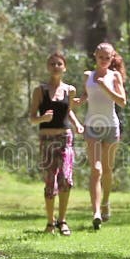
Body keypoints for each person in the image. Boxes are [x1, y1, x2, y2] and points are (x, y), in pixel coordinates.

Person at [28, 52, 84, 235]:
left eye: (59, 63)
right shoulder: (40, 91)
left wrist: (77, 124)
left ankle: (63, 221)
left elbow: (68, 112)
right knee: (50, 181)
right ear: (47, 67)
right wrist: (42, 118)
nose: (55, 66)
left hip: (64, 138)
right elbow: (32, 118)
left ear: (64, 67)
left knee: (66, 179)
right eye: (52, 63)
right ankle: (50, 223)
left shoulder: (70, 90)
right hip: (46, 139)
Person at [75, 43, 127, 230]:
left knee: (107, 170)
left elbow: (122, 101)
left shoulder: (115, 76)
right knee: (95, 170)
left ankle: (105, 202)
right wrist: (80, 100)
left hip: (111, 128)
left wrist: (106, 88)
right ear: (95, 56)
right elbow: (87, 95)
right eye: (101, 57)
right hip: (92, 127)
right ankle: (96, 212)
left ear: (112, 58)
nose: (104, 61)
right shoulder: (88, 76)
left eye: (108, 58)